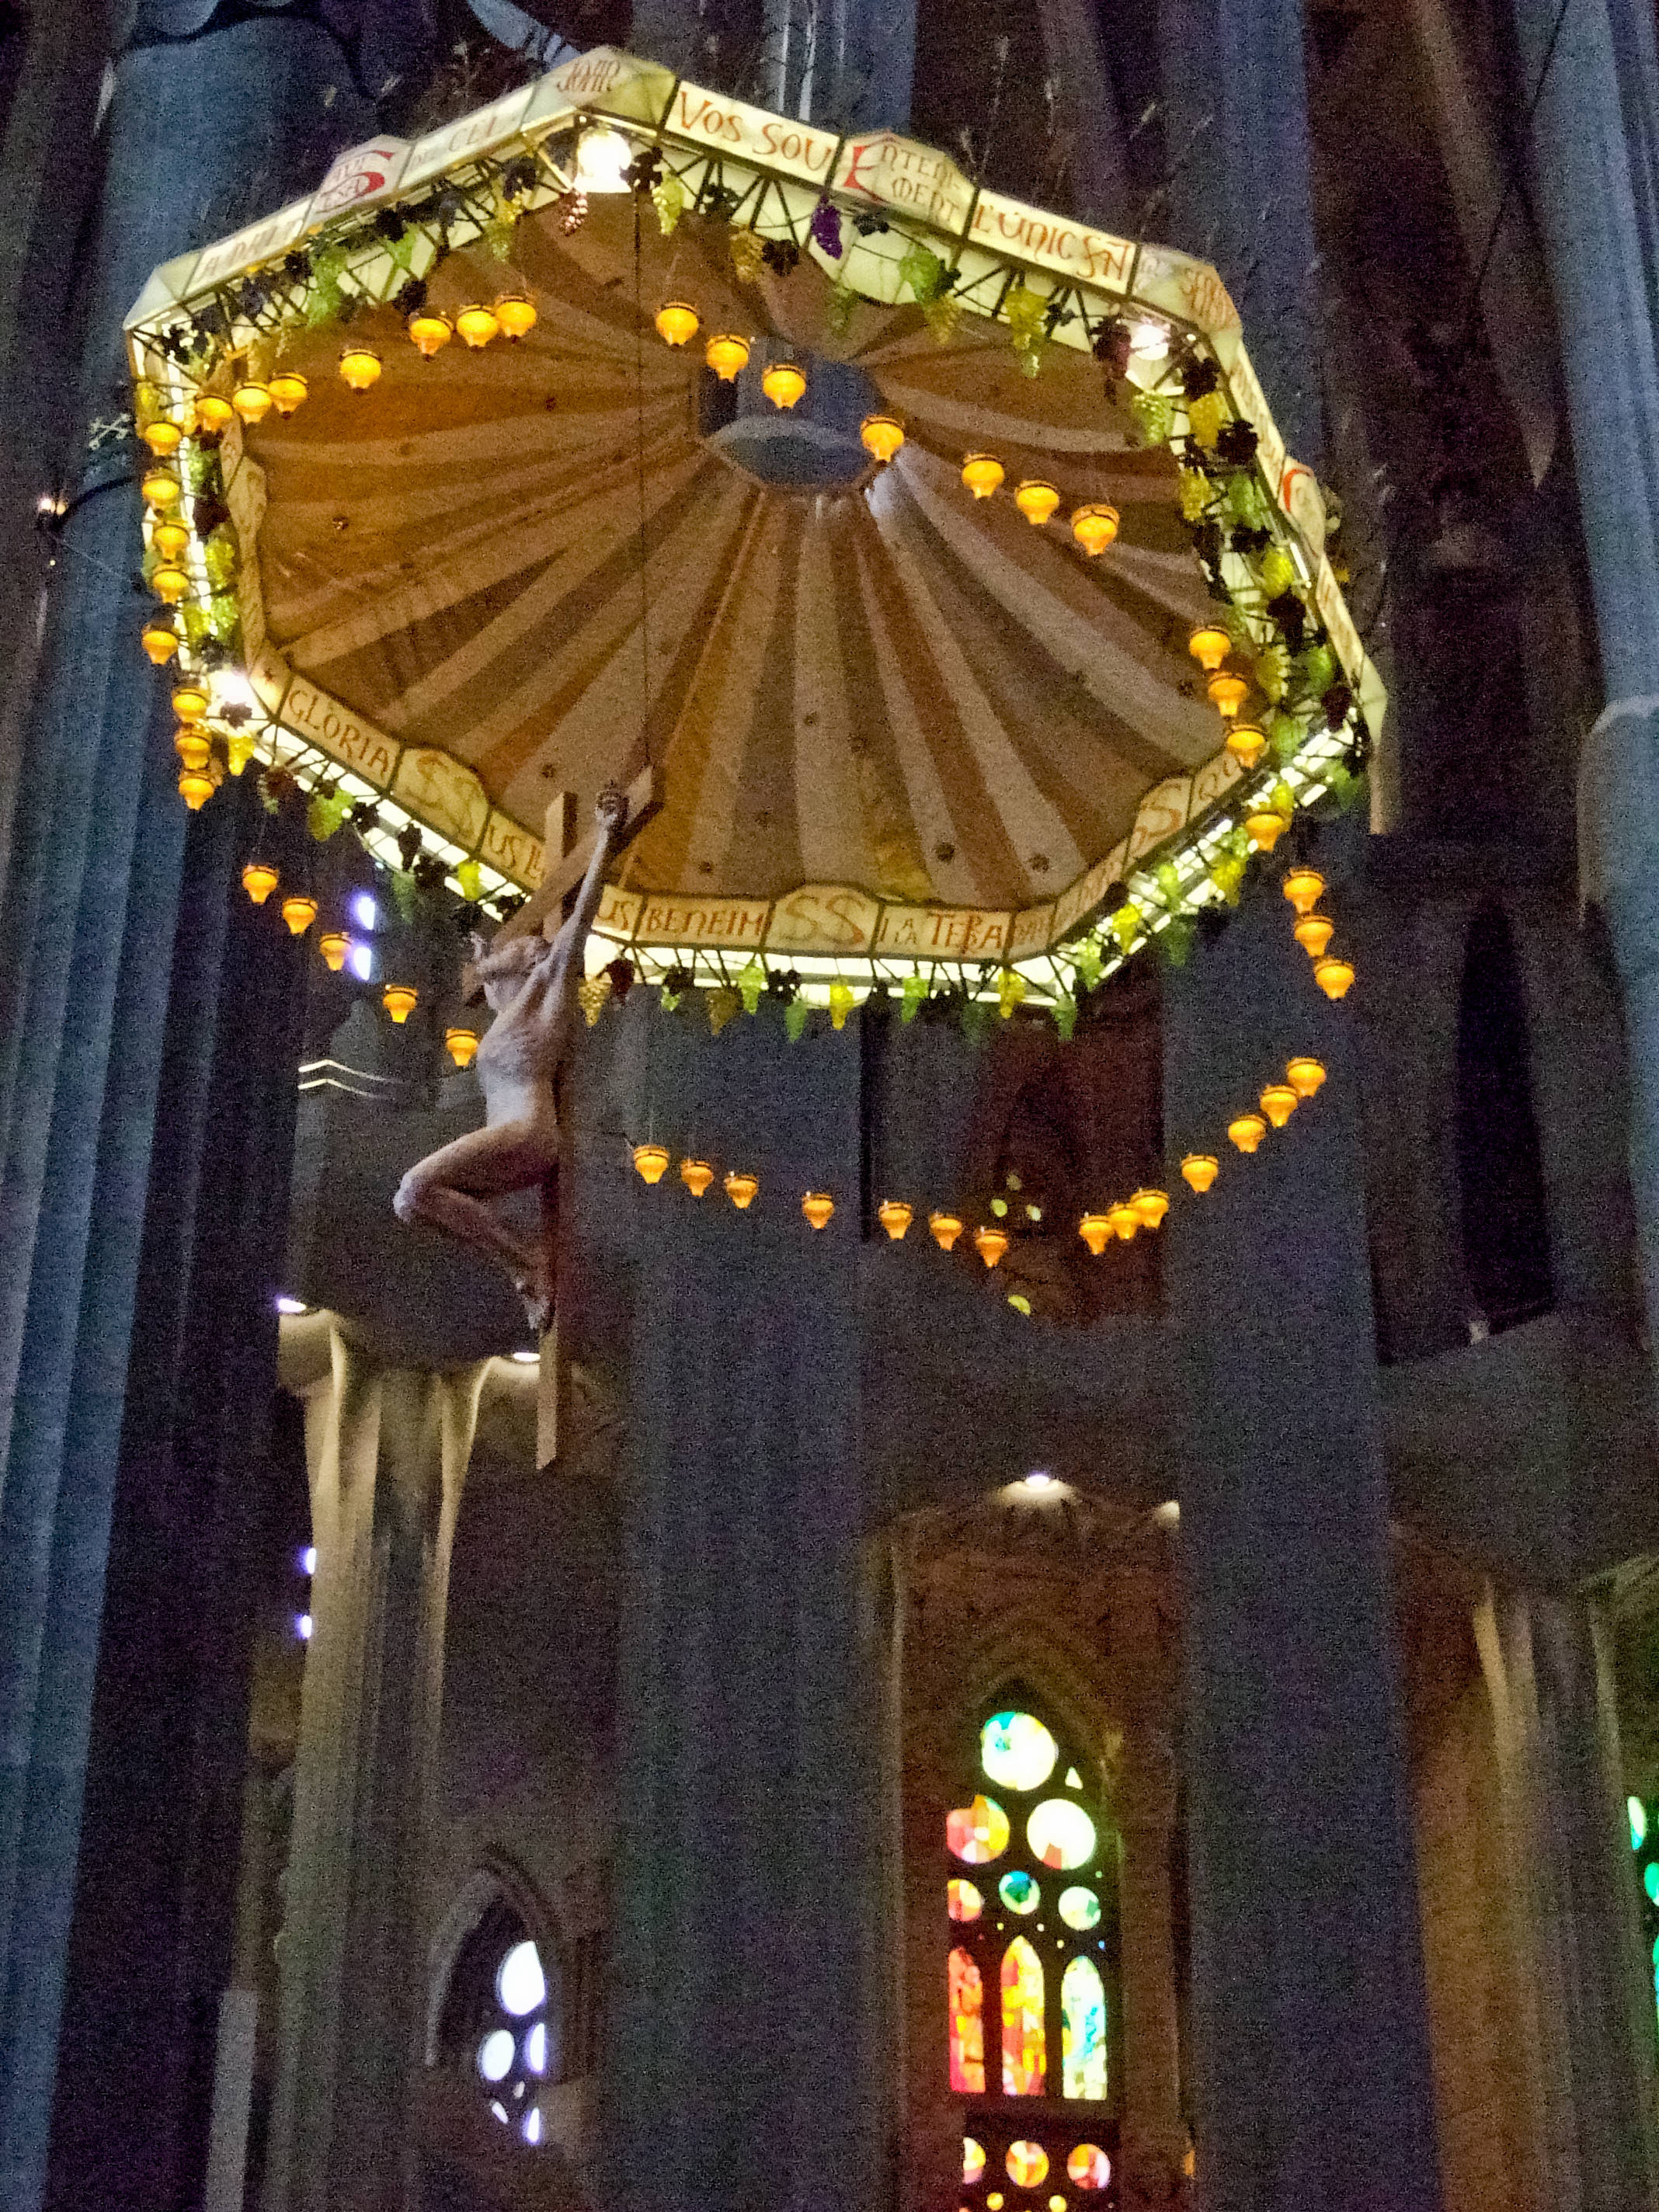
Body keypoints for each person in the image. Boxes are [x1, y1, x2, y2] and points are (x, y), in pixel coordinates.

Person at [393, 784, 629, 1331]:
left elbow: (579, 923)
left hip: (527, 1133)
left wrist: (604, 840)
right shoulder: (508, 1015)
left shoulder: (549, 995)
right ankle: (522, 1265)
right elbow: (495, 989)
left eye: (518, 948)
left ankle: (526, 1265)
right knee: (411, 1202)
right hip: (508, 1134)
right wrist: (487, 962)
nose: (512, 946)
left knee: (415, 1188)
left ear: (533, 962)